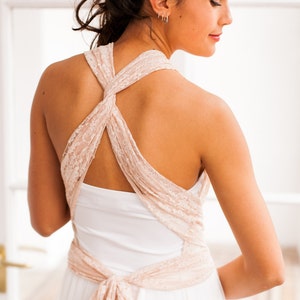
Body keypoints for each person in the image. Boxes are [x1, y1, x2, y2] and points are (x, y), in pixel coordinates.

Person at [27, 0, 285, 299]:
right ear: (162, 2)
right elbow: (269, 271)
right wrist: (193, 287)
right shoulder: (208, 114)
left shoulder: (54, 81)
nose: (227, 18)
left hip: (84, 290)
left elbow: (45, 221)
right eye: (215, 2)